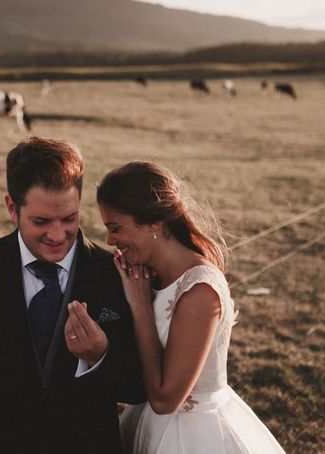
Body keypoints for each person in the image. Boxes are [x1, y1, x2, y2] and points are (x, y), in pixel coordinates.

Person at [0, 137, 143, 453]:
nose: (57, 235)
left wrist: (100, 355)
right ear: (12, 207)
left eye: (69, 218)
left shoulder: (115, 274)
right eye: (41, 221)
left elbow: (140, 388)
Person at [90, 161, 284, 453]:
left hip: (197, 434)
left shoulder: (200, 291)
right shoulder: (146, 275)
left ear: (154, 221)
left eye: (116, 228)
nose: (110, 240)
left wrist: (140, 305)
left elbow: (166, 400)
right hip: (145, 422)